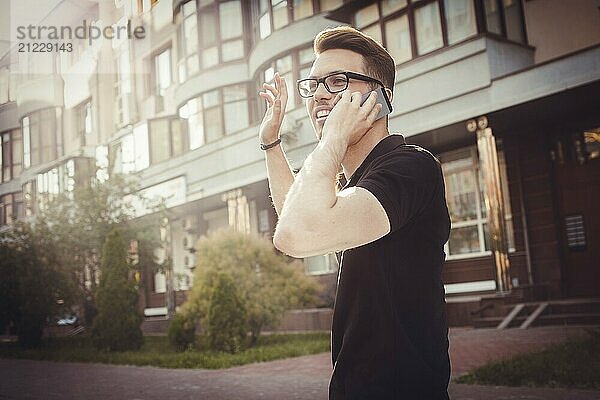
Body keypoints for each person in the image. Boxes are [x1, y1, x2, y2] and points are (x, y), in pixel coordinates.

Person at [258, 26, 451, 399]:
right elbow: (295, 222)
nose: (319, 97)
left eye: (337, 81)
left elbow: (296, 235)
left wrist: (331, 140)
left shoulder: (412, 167)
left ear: (381, 97)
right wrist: (271, 143)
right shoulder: (355, 188)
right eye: (313, 86)